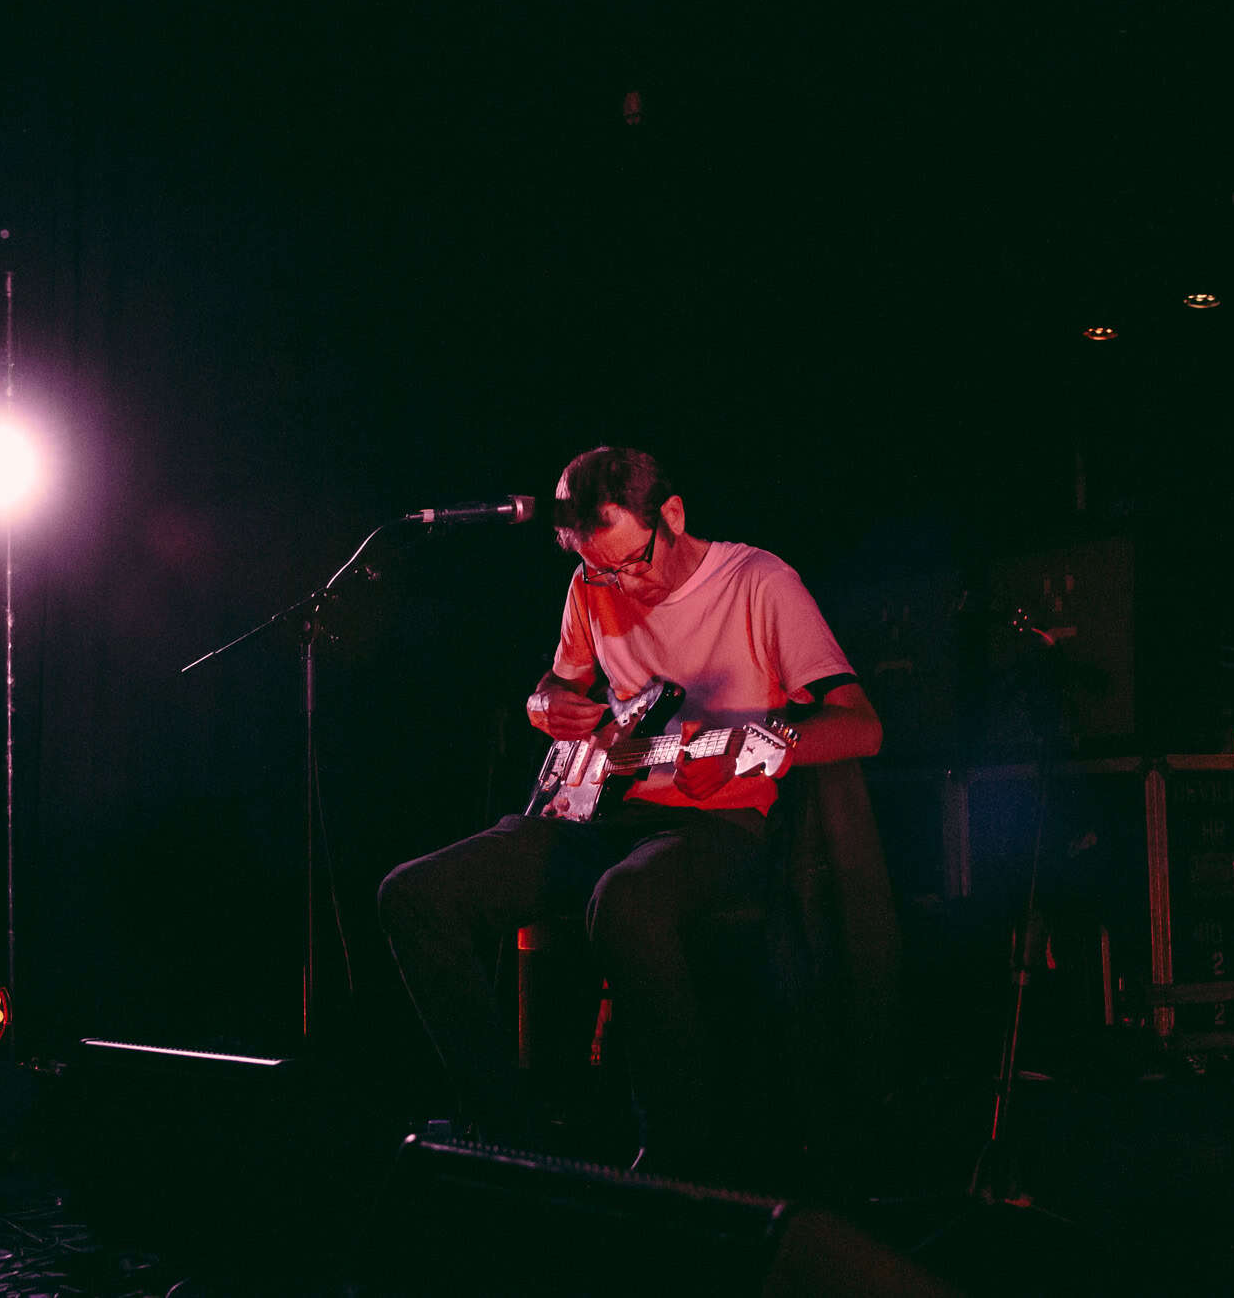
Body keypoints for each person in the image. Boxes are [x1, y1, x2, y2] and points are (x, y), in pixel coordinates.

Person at [378, 446, 882, 1173]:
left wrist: (754, 747)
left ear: (671, 515)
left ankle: (681, 1156)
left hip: (722, 823)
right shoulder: (592, 582)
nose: (622, 584)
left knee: (626, 901)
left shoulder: (759, 582)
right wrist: (544, 705)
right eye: (600, 570)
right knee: (413, 894)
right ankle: (508, 1134)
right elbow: (559, 684)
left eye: (632, 564)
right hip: (605, 816)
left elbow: (861, 725)